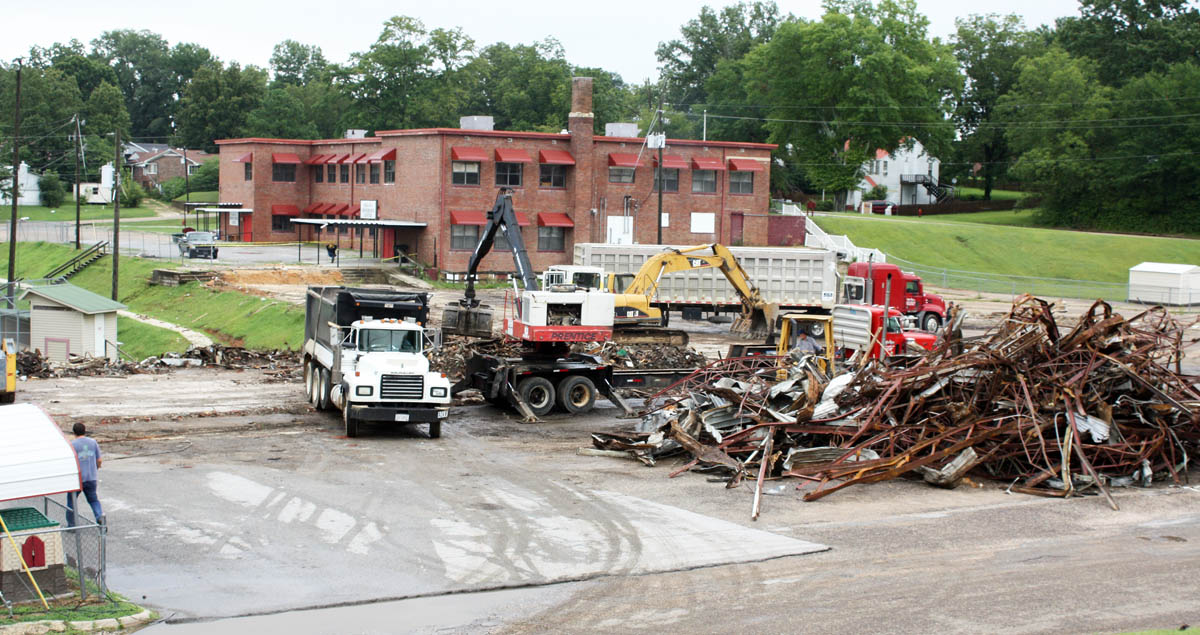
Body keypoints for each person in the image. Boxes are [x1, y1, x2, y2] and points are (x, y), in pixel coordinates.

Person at [67, 423, 104, 526]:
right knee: (93, 500)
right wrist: (96, 468)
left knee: (71, 501)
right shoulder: (93, 442)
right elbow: (99, 460)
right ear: (85, 430)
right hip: (91, 477)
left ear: (74, 432)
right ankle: (99, 517)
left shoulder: (72, 445)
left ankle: (72, 525)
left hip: (77, 479)